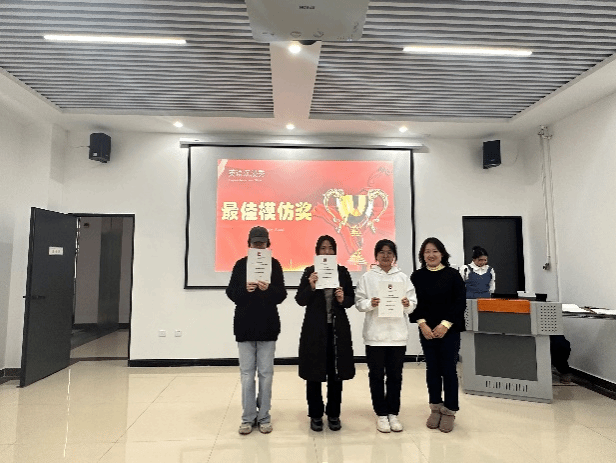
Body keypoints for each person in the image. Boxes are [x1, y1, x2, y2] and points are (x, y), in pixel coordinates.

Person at [226, 226, 287, 435]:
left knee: (266, 374)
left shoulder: (274, 265)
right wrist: (245, 289)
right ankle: (247, 417)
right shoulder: (240, 265)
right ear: (249, 244)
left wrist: (268, 289)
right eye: (255, 243)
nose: (259, 246)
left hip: (268, 326)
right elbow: (231, 293)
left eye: (262, 243)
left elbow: (281, 295)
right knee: (246, 374)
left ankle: (264, 417)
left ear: (268, 244)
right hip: (244, 326)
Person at [295, 235, 356, 432]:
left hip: (337, 330)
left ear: (335, 251)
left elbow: (351, 300)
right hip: (315, 330)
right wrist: (311, 286)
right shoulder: (309, 272)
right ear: (317, 251)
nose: (327, 251)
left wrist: (343, 299)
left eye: (330, 248)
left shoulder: (342, 272)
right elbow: (300, 300)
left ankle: (334, 413)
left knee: (336, 374)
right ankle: (315, 414)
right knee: (314, 373)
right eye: (323, 248)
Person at [355, 239, 416, 433]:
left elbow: (413, 303)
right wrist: (370, 303)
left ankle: (393, 413)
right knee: (376, 376)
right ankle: (381, 413)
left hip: (397, 336)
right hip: (375, 335)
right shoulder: (367, 277)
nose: (385, 255)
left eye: (389, 252)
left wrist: (407, 304)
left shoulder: (403, 277)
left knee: (395, 376)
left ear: (394, 256)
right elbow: (359, 303)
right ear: (376, 255)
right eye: (382, 252)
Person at [410, 237, 466, 433]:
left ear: (442, 253)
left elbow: (459, 302)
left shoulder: (453, 275)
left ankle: (449, 410)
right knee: (432, 369)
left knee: (448, 369)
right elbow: (414, 303)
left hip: (449, 331)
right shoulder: (417, 276)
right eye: (427, 251)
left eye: (435, 251)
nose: (431, 255)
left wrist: (445, 324)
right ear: (422, 255)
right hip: (427, 330)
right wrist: (422, 324)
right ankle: (435, 407)